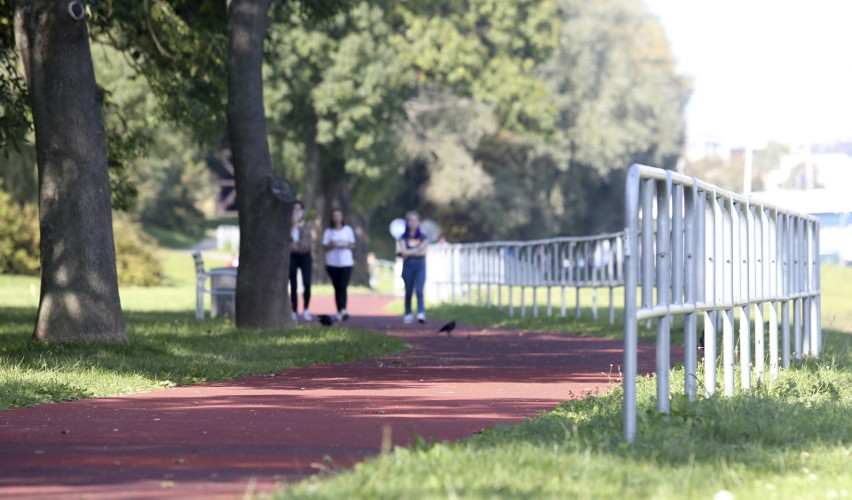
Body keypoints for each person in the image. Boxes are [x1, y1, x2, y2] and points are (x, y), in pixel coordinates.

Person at [322, 208, 355, 321]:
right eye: (334, 216)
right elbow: (324, 247)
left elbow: (353, 245)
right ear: (332, 218)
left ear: (342, 217)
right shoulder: (328, 231)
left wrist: (344, 245)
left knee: (343, 286)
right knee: (337, 287)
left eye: (339, 216)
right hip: (332, 263)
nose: (337, 218)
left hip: (346, 263)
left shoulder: (348, 230)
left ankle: (343, 309)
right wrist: (332, 245)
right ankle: (340, 310)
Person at [397, 210, 429, 324]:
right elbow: (403, 252)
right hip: (407, 267)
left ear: (419, 222)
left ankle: (421, 312)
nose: (413, 223)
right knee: (409, 291)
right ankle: (408, 313)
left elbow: (423, 253)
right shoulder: (402, 237)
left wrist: (409, 252)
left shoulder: (423, 237)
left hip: (420, 266)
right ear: (407, 222)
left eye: (415, 220)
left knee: (420, 290)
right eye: (410, 220)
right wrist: (418, 249)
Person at [289, 200, 313, 322]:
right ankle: (294, 310)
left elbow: (311, 238)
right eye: (294, 209)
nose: (297, 211)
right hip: (292, 256)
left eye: (299, 209)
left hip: (305, 256)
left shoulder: (308, 223)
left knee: (307, 283)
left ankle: (306, 310)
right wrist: (293, 224)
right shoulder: (288, 222)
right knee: (293, 284)